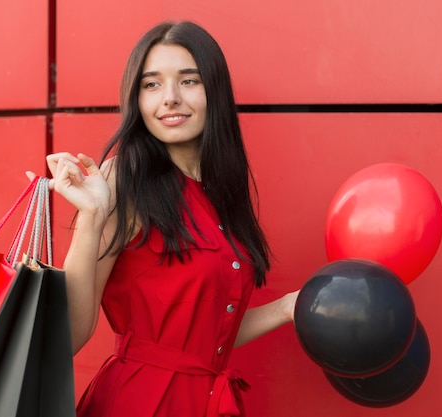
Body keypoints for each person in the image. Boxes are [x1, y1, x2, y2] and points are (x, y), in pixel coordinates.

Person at [28, 20, 299, 417]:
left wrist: (289, 307)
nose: (169, 98)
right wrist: (92, 217)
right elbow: (67, 336)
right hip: (142, 403)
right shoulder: (124, 179)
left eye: (188, 81)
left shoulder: (222, 191)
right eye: (151, 85)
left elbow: (203, 335)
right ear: (136, 99)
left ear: (215, 92)